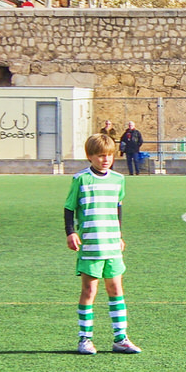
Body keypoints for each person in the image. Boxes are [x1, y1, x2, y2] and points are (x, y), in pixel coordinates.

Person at [65, 133, 140, 355]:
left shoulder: (118, 179)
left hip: (111, 244)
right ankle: (85, 339)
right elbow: (69, 208)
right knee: (89, 290)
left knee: (116, 288)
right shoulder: (81, 179)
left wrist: (119, 235)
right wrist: (70, 233)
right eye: (100, 156)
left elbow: (117, 206)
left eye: (108, 155)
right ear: (90, 156)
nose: (105, 160)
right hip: (90, 243)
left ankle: (120, 338)